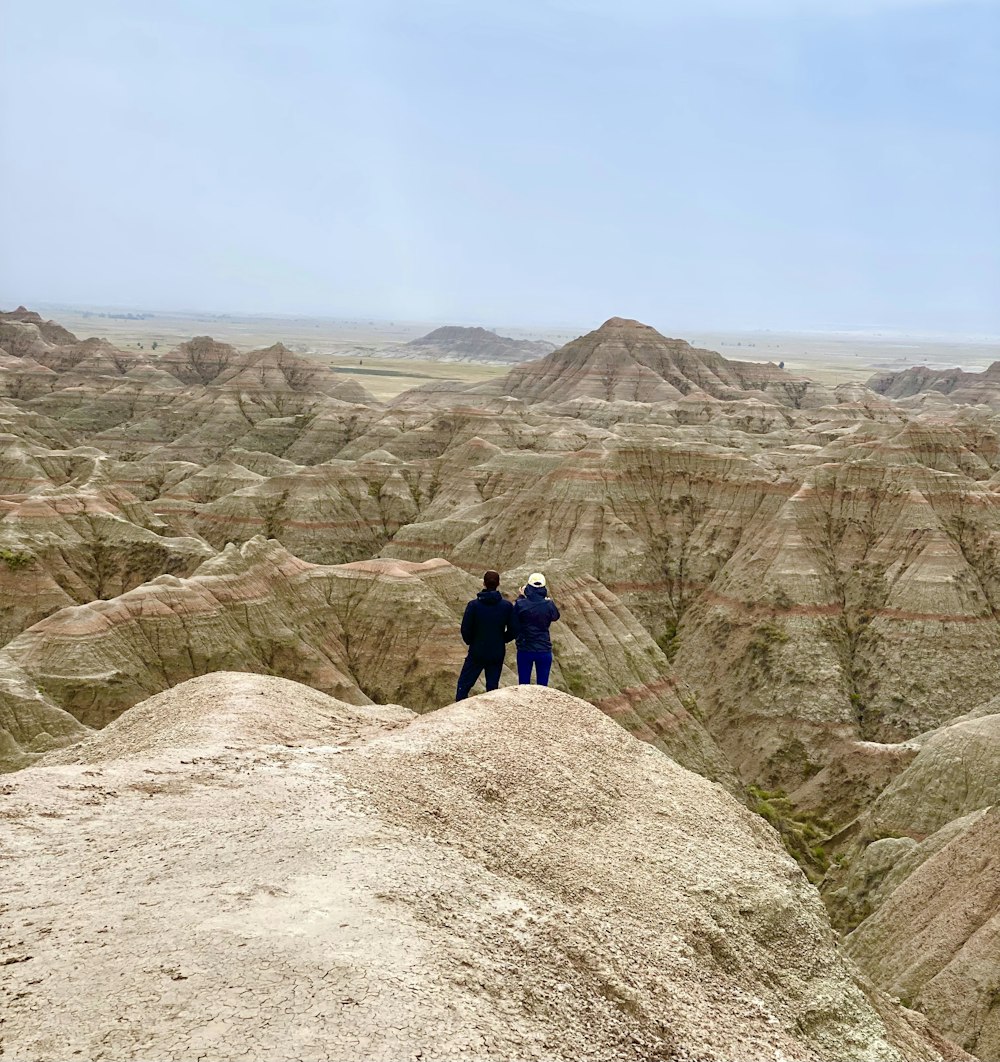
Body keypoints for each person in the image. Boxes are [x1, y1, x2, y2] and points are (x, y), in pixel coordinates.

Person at [456, 570, 514, 700]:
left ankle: (458, 714)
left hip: (477, 650)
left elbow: (465, 629)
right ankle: (491, 716)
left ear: (483, 583)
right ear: (498, 584)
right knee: (492, 687)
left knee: (463, 685)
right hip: (496, 651)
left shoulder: (473, 606)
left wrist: (472, 641)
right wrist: (502, 639)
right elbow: (514, 629)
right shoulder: (506, 606)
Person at [511, 572, 560, 685]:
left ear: (528, 587)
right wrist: (548, 601)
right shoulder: (548, 604)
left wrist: (521, 597)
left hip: (525, 648)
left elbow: (514, 619)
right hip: (543, 648)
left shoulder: (520, 604)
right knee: (542, 687)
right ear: (543, 587)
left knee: (523, 685)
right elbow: (555, 616)